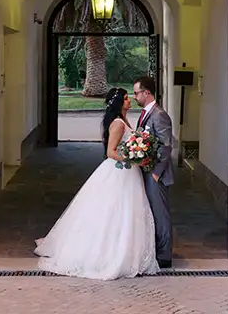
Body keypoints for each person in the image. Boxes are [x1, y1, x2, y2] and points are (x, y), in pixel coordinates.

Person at [34, 87, 159, 280]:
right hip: (119, 172)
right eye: (126, 99)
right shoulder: (117, 124)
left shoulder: (124, 120)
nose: (129, 101)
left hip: (129, 173)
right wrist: (132, 159)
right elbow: (111, 151)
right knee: (115, 210)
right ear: (118, 103)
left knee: (128, 211)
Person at [133, 76, 174, 268]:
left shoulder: (159, 115)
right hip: (147, 170)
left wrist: (156, 172)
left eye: (136, 93)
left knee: (160, 213)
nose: (134, 96)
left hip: (156, 174)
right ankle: (155, 249)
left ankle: (164, 256)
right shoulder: (145, 114)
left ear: (146, 93)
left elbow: (166, 145)